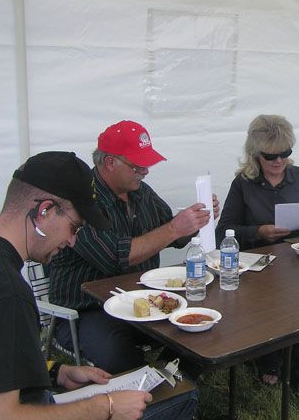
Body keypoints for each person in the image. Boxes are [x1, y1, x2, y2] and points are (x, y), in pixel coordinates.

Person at [0, 151, 196, 420]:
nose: (72, 241)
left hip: (39, 395)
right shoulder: (6, 291)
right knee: (182, 397)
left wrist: (56, 371)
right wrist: (105, 407)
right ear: (44, 211)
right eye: (75, 227)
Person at [47, 120, 219, 374]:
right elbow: (117, 258)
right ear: (109, 162)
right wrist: (175, 228)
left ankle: (170, 385)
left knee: (197, 326)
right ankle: (157, 392)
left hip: (143, 300)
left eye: (147, 164)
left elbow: (172, 233)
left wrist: (196, 220)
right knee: (120, 354)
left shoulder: (141, 192)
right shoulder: (79, 202)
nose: (145, 171)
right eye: (137, 165)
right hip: (87, 310)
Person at [215, 114, 299, 397]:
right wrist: (258, 232)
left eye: (285, 153)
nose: (279, 161)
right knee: (266, 310)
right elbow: (223, 231)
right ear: (255, 155)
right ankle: (270, 360)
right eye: (271, 156)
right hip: (260, 264)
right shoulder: (244, 183)